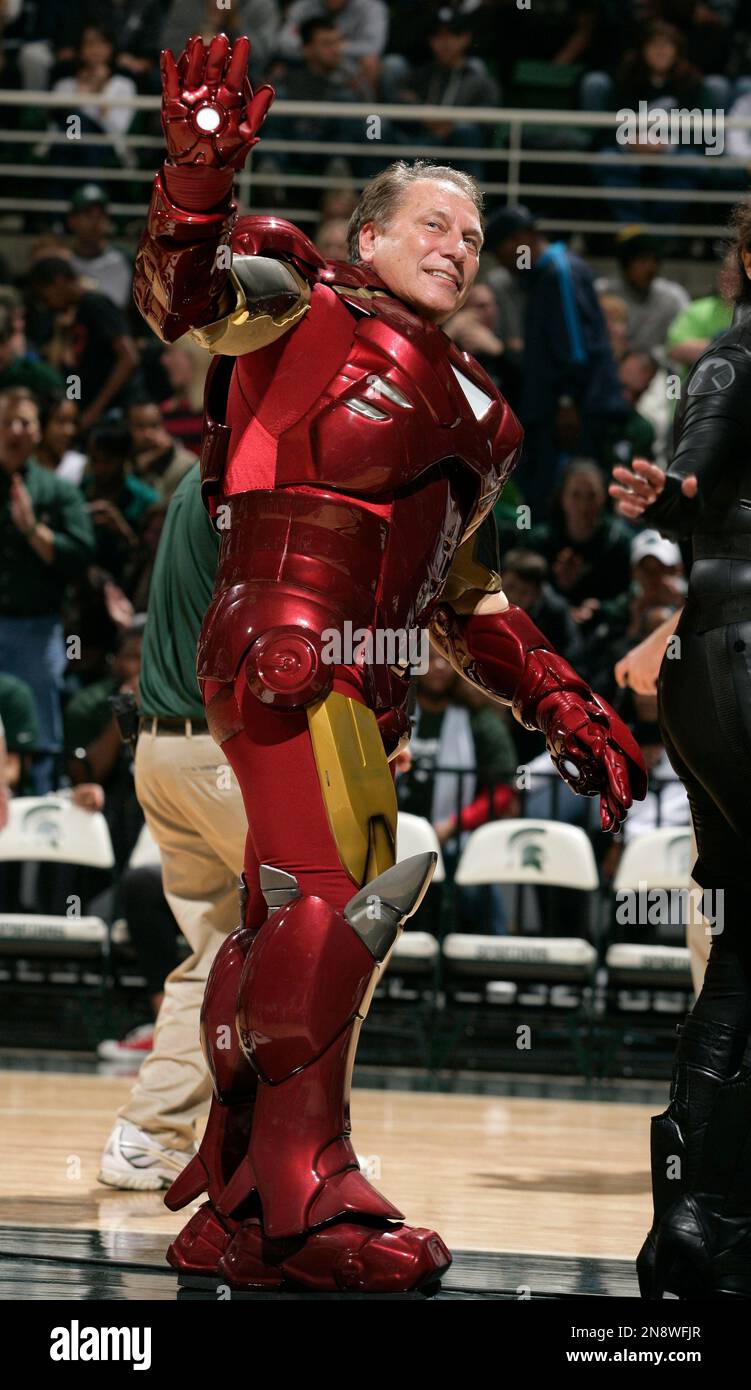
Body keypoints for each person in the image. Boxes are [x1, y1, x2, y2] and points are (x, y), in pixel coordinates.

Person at [133, 31, 646, 1294]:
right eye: (433, 221)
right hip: (284, 649)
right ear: (368, 236)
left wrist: (559, 694)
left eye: (473, 235)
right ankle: (310, 1209)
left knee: (301, 921)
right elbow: (181, 298)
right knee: (318, 909)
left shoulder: (485, 411)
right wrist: (197, 179)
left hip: (369, 681)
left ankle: (241, 1204)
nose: (459, 244)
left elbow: (461, 593)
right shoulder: (297, 307)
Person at [609, 198, 751, 1300]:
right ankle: (704, 1209)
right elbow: (697, 458)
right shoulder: (734, 355)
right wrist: (677, 487)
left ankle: (695, 1217)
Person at [98, 464, 247, 1191]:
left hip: (160, 746)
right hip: (219, 751)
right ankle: (292, 1138)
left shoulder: (197, 476)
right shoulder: (260, 475)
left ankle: (146, 1135)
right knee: (332, 922)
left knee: (218, 944)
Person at [486, 204, 627, 518]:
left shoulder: (559, 272)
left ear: (520, 240)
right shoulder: (545, 275)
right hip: (559, 409)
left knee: (569, 501)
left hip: (572, 413)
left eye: (501, 252)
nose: (503, 263)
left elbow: (573, 345)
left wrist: (567, 401)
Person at [0, 386, 95, 791]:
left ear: (39, 432)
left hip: (37, 631)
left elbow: (82, 555)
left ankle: (36, 846)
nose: (16, 430)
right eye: (6, 422)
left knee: (38, 739)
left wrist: (34, 532)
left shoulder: (58, 492)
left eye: (25, 421)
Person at [27, 257, 140, 431]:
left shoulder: (95, 304)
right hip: (86, 410)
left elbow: (129, 358)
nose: (46, 303)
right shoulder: (70, 315)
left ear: (58, 281)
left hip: (114, 412)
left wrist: (93, 412)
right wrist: (75, 407)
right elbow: (74, 370)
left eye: (44, 294)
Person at [595, 227, 690, 358]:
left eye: (655, 260)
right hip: (613, 364)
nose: (650, 267)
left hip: (660, 368)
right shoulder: (603, 291)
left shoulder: (673, 296)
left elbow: (686, 338)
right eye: (642, 260)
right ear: (626, 264)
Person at [66, 184, 134, 310]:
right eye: (88, 215)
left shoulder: (126, 259)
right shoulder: (63, 261)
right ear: (72, 220)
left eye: (100, 215)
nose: (95, 222)